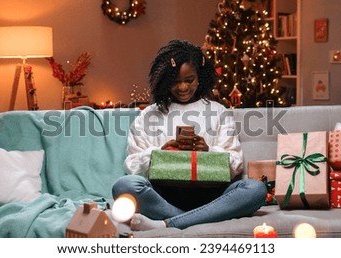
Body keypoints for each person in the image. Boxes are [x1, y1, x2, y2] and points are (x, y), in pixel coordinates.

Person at [112, 39, 267, 231]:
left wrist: (208, 150)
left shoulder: (218, 111)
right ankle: (196, 219)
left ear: (199, 77)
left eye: (189, 80)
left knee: (256, 190)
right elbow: (132, 165)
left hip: (213, 195)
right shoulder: (149, 115)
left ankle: (168, 223)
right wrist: (160, 152)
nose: (183, 87)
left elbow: (236, 163)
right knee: (123, 186)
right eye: (175, 82)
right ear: (165, 81)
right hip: (163, 196)